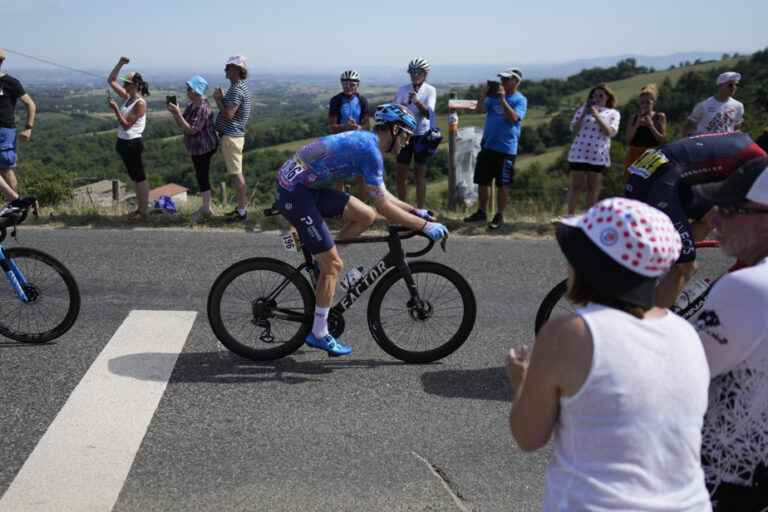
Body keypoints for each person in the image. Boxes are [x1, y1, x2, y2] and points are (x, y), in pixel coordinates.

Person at [506, 197, 711, 511]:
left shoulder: (569, 334)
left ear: (589, 265)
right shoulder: (685, 333)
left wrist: (521, 382)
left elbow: (529, 436)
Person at [275, 104, 448, 357]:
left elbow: (382, 197)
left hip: (306, 186)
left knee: (365, 215)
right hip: (295, 192)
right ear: (394, 129)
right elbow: (386, 208)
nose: (407, 142)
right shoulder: (370, 150)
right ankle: (319, 332)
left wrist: (414, 211)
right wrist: (425, 226)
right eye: (407, 135)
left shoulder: (369, 143)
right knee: (333, 266)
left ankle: (326, 262)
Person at [690, 165, 768, 511]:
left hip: (727, 483)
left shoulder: (747, 287)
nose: (715, 221)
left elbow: (677, 375)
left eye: (729, 209)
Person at [625, 131, 767, 308]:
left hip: (653, 170)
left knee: (709, 218)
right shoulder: (759, 161)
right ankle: (648, 323)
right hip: (662, 181)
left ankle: (665, 269)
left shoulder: (741, 141)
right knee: (686, 267)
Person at [463, 68, 527, 230]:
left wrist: (503, 99)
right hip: (488, 145)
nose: (503, 82)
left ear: (516, 81)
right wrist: (484, 94)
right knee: (482, 182)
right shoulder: (493, 98)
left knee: (502, 184)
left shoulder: (520, 99)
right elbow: (480, 110)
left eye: (507, 79)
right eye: (502, 79)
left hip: (506, 149)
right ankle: (482, 212)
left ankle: (499, 215)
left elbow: (513, 118)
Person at [167, 75, 218, 220]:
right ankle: (206, 207)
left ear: (196, 91)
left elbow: (191, 130)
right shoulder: (192, 105)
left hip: (203, 148)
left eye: (189, 88)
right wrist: (175, 114)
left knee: (202, 175)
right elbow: (183, 125)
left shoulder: (202, 108)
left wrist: (177, 114)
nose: (187, 91)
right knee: (200, 175)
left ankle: (206, 208)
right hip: (197, 148)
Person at [565, 84, 620, 215]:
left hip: (598, 155)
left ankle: (589, 218)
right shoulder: (582, 110)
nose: (597, 98)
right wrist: (585, 112)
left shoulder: (613, 113)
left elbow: (610, 132)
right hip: (579, 153)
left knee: (593, 188)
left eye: (601, 95)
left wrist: (596, 115)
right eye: (594, 95)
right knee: (576, 186)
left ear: (607, 97)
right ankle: (569, 215)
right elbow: (574, 129)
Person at [107, 56, 150, 219]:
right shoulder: (128, 98)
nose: (124, 85)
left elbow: (126, 125)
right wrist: (120, 63)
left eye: (127, 83)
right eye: (124, 83)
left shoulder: (139, 103)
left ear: (135, 85)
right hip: (125, 143)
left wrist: (116, 109)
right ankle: (141, 210)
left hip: (132, 143)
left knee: (139, 177)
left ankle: (143, 210)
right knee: (135, 177)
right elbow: (111, 80)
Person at [393, 58, 437, 209]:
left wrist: (417, 102)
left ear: (425, 74)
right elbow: (395, 111)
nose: (414, 75)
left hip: (421, 135)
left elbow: (429, 114)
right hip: (404, 135)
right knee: (400, 175)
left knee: (420, 175)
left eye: (418, 72)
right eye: (412, 72)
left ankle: (420, 208)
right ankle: (403, 208)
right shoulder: (402, 89)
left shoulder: (430, 90)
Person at [213, 55, 252, 222]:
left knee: (236, 174)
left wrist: (218, 100)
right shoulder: (239, 87)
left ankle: (242, 211)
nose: (225, 70)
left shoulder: (237, 89)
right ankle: (240, 208)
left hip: (231, 136)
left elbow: (229, 114)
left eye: (228, 67)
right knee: (235, 173)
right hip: (233, 136)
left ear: (237, 70)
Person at [0, 49, 36, 199]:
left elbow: (30, 104)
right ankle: (16, 204)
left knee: (5, 169)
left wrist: (28, 128)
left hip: (5, 130)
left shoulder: (10, 82)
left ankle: (16, 203)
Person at [328, 70, 370, 196]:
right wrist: (346, 126)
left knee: (361, 176)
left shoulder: (362, 100)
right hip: (340, 142)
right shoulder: (336, 100)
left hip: (358, 142)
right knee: (340, 178)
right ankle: (338, 209)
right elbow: (332, 127)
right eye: (345, 84)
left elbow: (367, 125)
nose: (348, 87)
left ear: (357, 85)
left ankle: (363, 207)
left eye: (352, 84)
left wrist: (358, 127)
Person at [623, 84, 667, 179]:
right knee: (632, 183)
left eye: (648, 102)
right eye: (642, 102)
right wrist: (636, 125)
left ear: (653, 102)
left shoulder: (659, 116)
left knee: (650, 183)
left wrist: (651, 125)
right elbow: (627, 140)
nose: (645, 105)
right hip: (634, 154)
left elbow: (663, 140)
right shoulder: (634, 118)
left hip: (652, 154)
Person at [685, 72, 744, 136]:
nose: (734, 87)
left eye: (735, 85)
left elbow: (737, 129)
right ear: (720, 85)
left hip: (727, 144)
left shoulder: (739, 106)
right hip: (706, 144)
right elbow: (689, 126)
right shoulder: (703, 105)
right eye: (730, 85)